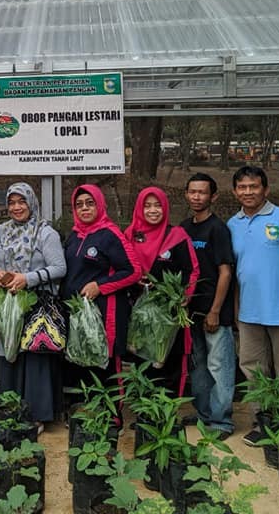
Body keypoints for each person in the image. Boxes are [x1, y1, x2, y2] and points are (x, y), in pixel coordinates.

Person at [226, 165, 279, 446]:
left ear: (265, 189)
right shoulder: (233, 224)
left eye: (254, 186)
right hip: (250, 313)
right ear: (235, 191)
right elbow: (237, 272)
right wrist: (237, 310)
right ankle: (262, 422)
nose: (248, 192)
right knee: (253, 369)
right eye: (242, 187)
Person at [0, 182, 67, 433]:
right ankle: (11, 410)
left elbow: (59, 268)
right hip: (9, 304)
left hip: (36, 305)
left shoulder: (45, 233)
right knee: (10, 354)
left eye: (21, 201)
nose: (16, 207)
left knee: (34, 357)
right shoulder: (2, 230)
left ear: (31, 203)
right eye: (11, 202)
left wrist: (28, 278)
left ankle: (36, 415)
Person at [61, 184, 141, 411]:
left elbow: (133, 271)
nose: (85, 208)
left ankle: (112, 420)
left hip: (106, 313)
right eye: (79, 205)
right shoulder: (74, 236)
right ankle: (88, 417)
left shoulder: (110, 234)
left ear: (100, 205)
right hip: (79, 315)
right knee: (81, 360)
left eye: (90, 203)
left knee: (106, 365)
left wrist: (100, 286)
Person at [124, 186, 200, 398]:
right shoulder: (130, 235)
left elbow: (191, 270)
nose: (153, 210)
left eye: (157, 205)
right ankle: (144, 414)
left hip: (168, 315)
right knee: (140, 363)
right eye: (147, 206)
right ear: (139, 208)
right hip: (138, 314)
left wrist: (186, 295)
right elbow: (121, 268)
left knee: (168, 362)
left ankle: (165, 414)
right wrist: (134, 279)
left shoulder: (177, 235)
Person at [181, 172, 236, 438]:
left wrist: (215, 310)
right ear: (186, 194)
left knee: (219, 365)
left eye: (202, 192)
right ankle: (203, 413)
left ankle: (221, 420)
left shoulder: (218, 229)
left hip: (215, 311)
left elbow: (225, 272)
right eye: (192, 191)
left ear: (213, 196)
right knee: (198, 365)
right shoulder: (183, 228)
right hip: (191, 311)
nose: (197, 196)